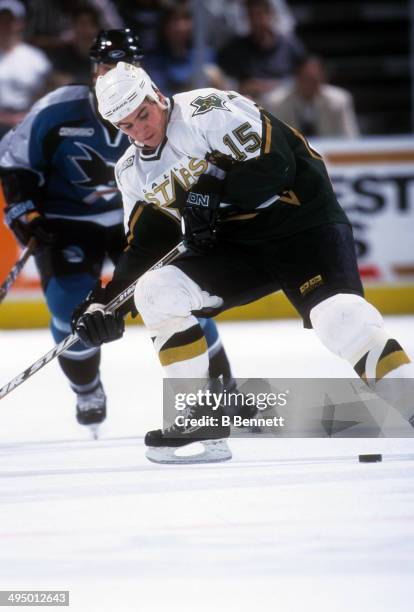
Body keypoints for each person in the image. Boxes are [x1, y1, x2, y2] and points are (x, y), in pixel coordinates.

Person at [72, 61, 414, 464]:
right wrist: (107, 302)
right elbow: (145, 246)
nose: (140, 131)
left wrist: (209, 196)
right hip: (236, 248)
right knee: (155, 289)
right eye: (126, 126)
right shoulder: (131, 172)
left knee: (342, 320)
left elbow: (277, 164)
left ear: (157, 96)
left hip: (303, 226)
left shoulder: (208, 109)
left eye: (143, 115)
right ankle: (201, 419)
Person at [0, 30, 237, 435]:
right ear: (94, 70)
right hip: (67, 223)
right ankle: (87, 387)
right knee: (67, 306)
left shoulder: (162, 109)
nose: (112, 76)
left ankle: (222, 389)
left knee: (180, 296)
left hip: (143, 217)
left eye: (124, 67)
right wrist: (24, 210)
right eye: (105, 67)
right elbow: (15, 161)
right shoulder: (59, 109)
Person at [217, 0, 306, 103]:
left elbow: (304, 74)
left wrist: (271, 86)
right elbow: (228, 83)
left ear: (270, 15)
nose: (256, 21)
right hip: (251, 102)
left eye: (260, 15)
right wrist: (244, 87)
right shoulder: (235, 49)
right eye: (252, 16)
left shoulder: (289, 44)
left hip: (287, 100)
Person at [264, 56, 360, 138]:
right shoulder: (275, 102)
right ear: (296, 77)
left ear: (323, 78)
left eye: (314, 80)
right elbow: (274, 140)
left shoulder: (339, 100)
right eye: (306, 79)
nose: (309, 85)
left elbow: (350, 137)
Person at [0, 0, 52, 137]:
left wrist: (27, 115)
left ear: (21, 23)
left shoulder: (36, 58)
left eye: (11, 21)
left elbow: (46, 92)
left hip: (28, 123)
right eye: (2, 21)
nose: (6, 26)